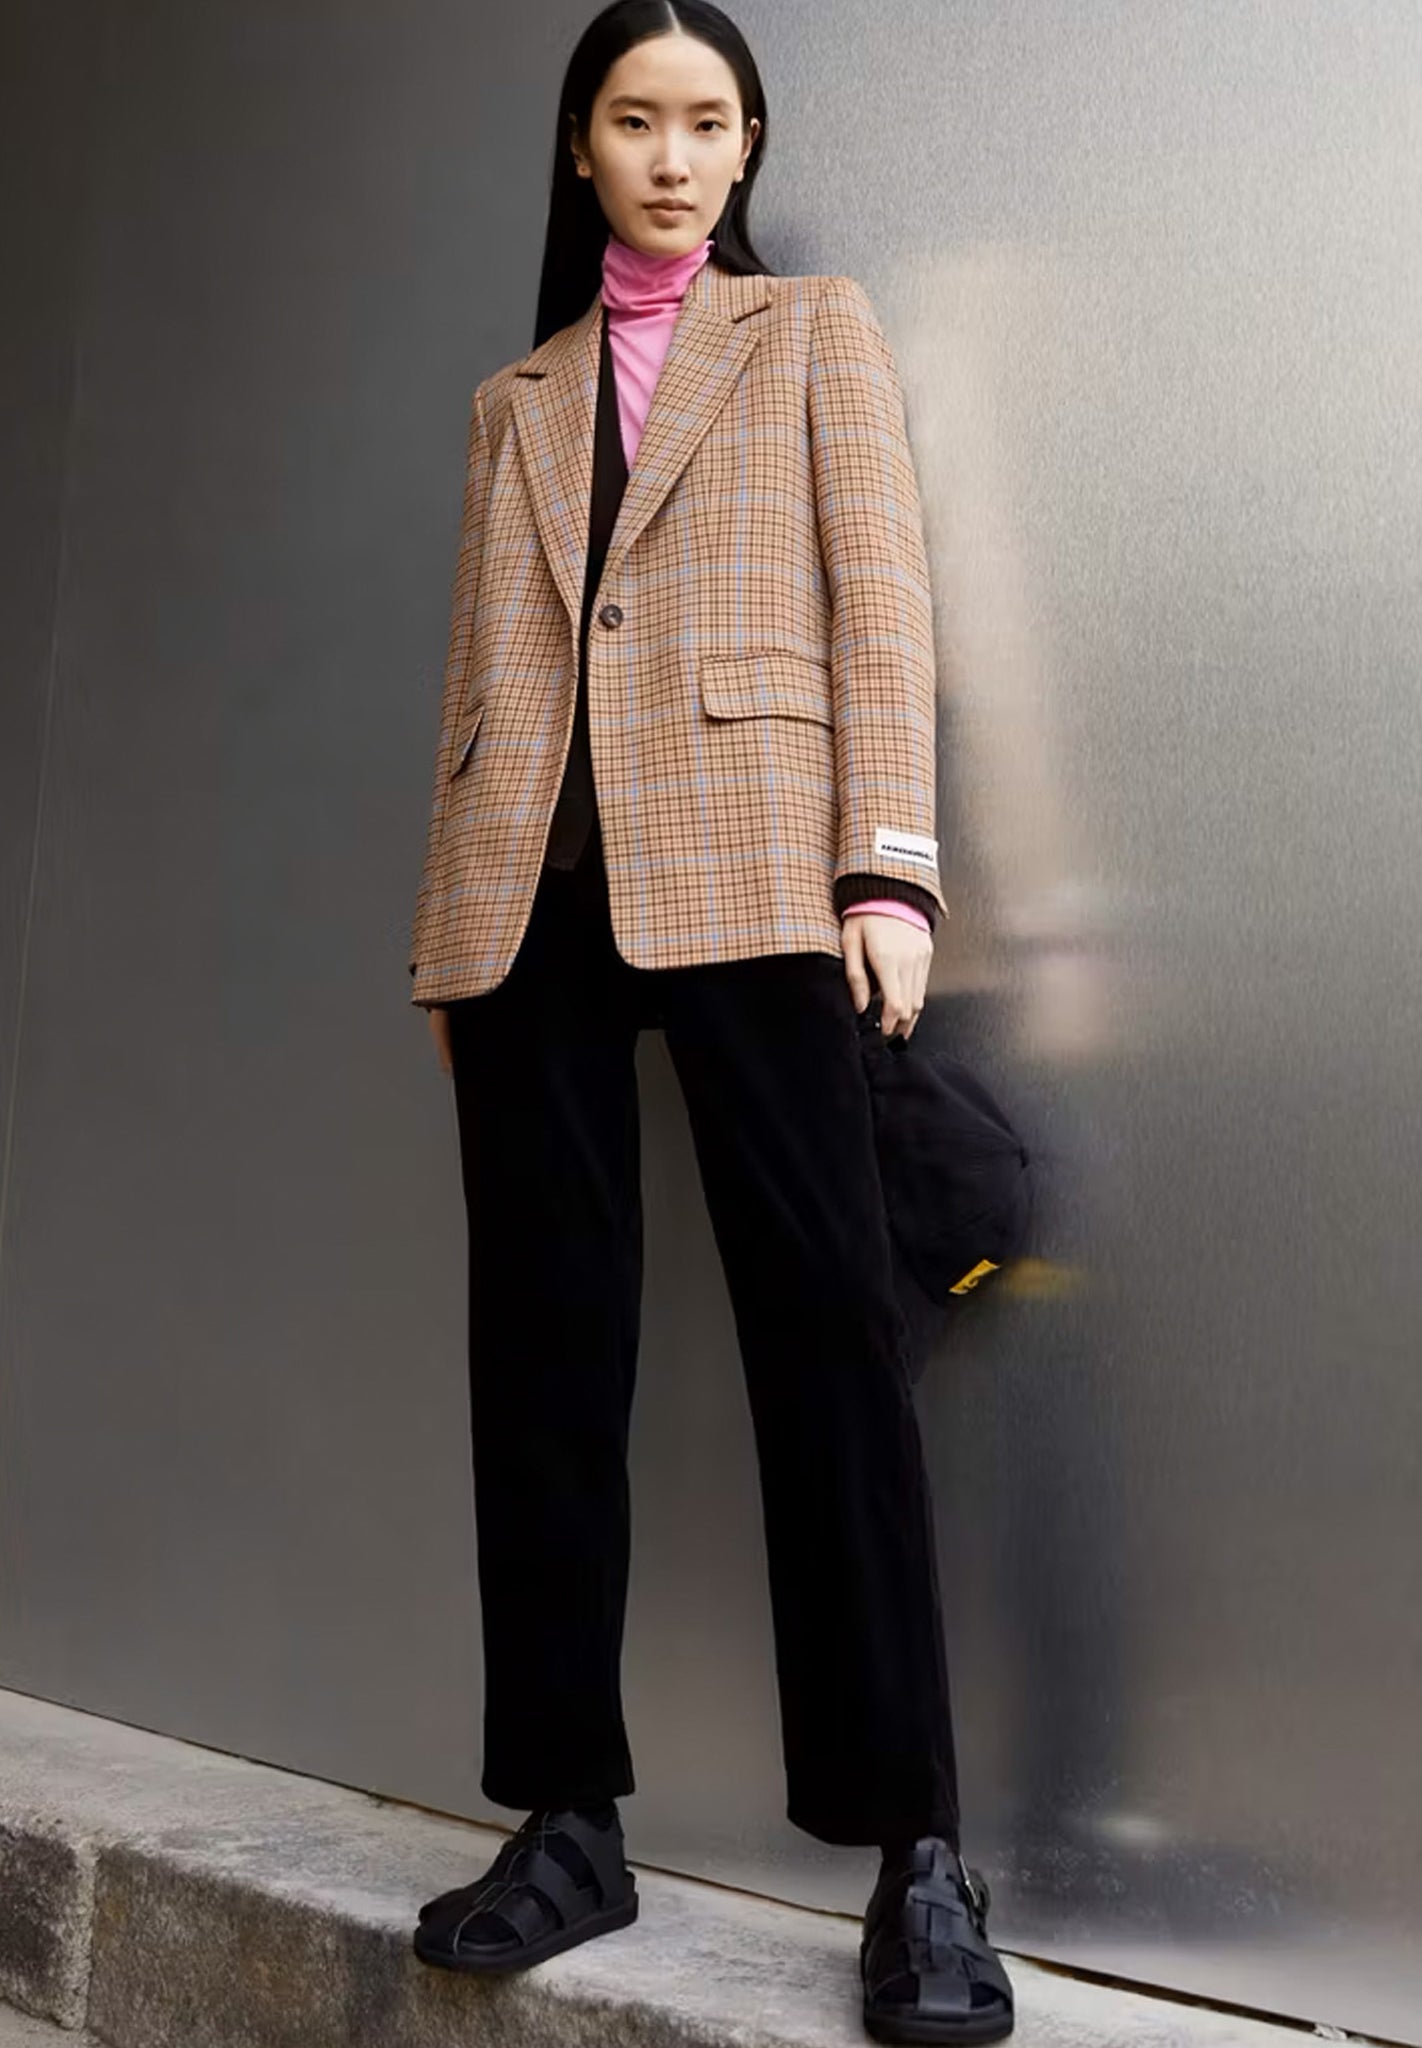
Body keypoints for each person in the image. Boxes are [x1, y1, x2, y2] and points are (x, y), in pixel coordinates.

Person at [405, 3, 1014, 2039]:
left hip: (757, 876)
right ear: (579, 145)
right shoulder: (513, 398)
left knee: (828, 1344)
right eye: (636, 121)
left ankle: (917, 1852)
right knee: (542, 1362)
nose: (673, 158)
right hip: (532, 918)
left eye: (708, 124)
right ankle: (566, 1817)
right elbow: (477, 687)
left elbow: (883, 601)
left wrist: (888, 871)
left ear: (747, 146)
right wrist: (451, 947)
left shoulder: (809, 331)